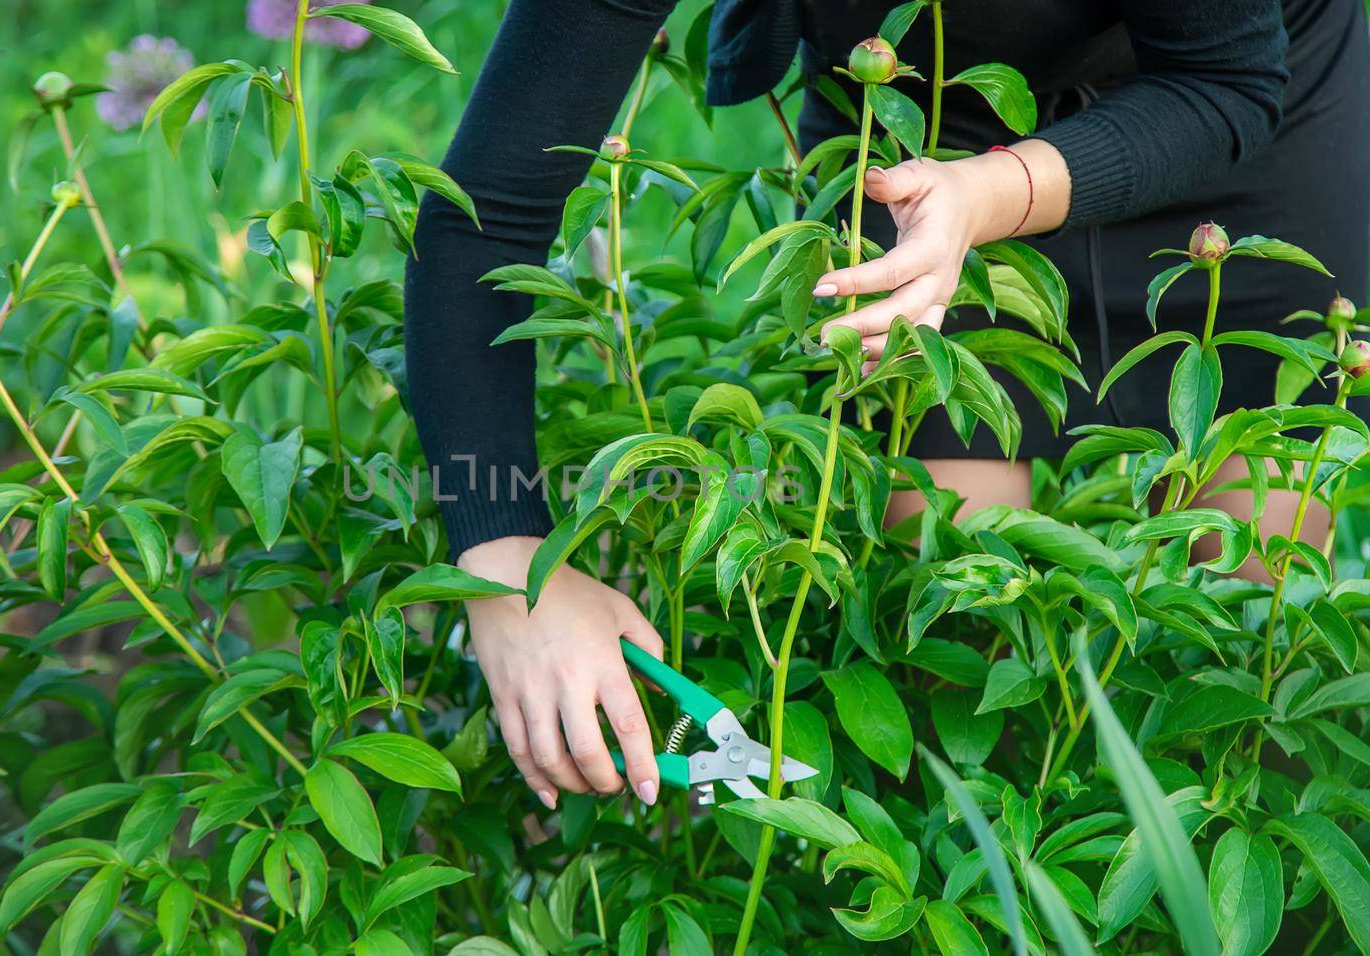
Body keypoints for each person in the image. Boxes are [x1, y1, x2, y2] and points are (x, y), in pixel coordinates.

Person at [402, 0, 1370, 809]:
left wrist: (990, 195)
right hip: (905, 129)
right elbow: (485, 211)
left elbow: (1225, 82)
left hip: (1238, 127)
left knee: (1252, 661)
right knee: (949, 649)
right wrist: (508, 561)